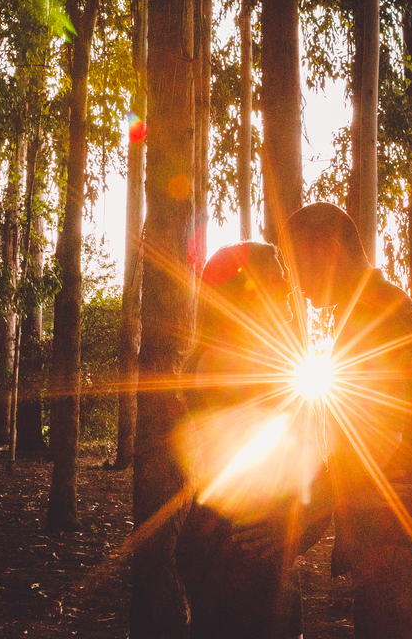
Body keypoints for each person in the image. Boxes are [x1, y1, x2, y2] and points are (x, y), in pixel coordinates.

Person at [278, 202, 412, 639]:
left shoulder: (376, 313)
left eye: (296, 265)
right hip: (406, 540)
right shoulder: (368, 311)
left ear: (330, 250)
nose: (294, 283)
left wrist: (294, 528)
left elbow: (375, 439)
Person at [175, 242, 327, 639]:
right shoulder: (239, 363)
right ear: (247, 291)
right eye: (276, 281)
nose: (289, 292)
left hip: (234, 547)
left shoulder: (230, 357)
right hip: (241, 556)